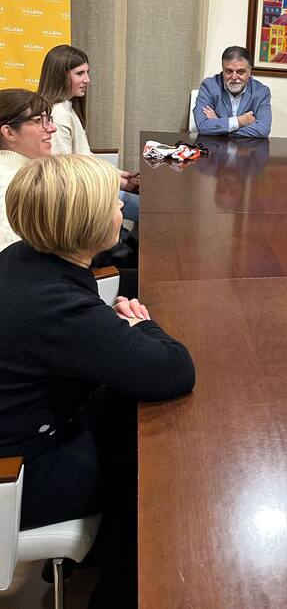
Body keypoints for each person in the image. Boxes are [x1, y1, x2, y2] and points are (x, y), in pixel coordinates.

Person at [0, 154, 195, 607]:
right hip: (18, 475)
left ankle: (92, 563)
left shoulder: (24, 257)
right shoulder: (59, 308)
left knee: (130, 415)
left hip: (29, 429)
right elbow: (174, 370)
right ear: (84, 222)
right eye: (112, 203)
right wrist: (142, 325)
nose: (120, 210)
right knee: (159, 473)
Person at [37, 44, 140, 222]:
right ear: (59, 76)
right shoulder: (59, 114)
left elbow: (84, 158)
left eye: (87, 72)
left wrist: (121, 175)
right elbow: (66, 174)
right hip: (83, 198)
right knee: (155, 211)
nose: (87, 80)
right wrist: (121, 183)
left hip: (90, 189)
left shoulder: (68, 107)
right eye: (80, 74)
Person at [0, 89, 57, 251]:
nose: (52, 128)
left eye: (48, 120)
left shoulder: (24, 175)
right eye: (39, 120)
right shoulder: (11, 183)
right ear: (8, 132)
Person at [193, 45, 272, 138]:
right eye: (229, 71)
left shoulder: (261, 92)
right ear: (222, 70)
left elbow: (263, 130)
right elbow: (202, 126)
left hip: (247, 150)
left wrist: (219, 124)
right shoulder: (209, 86)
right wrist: (240, 121)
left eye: (240, 72)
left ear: (249, 71)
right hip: (215, 148)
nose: (234, 77)